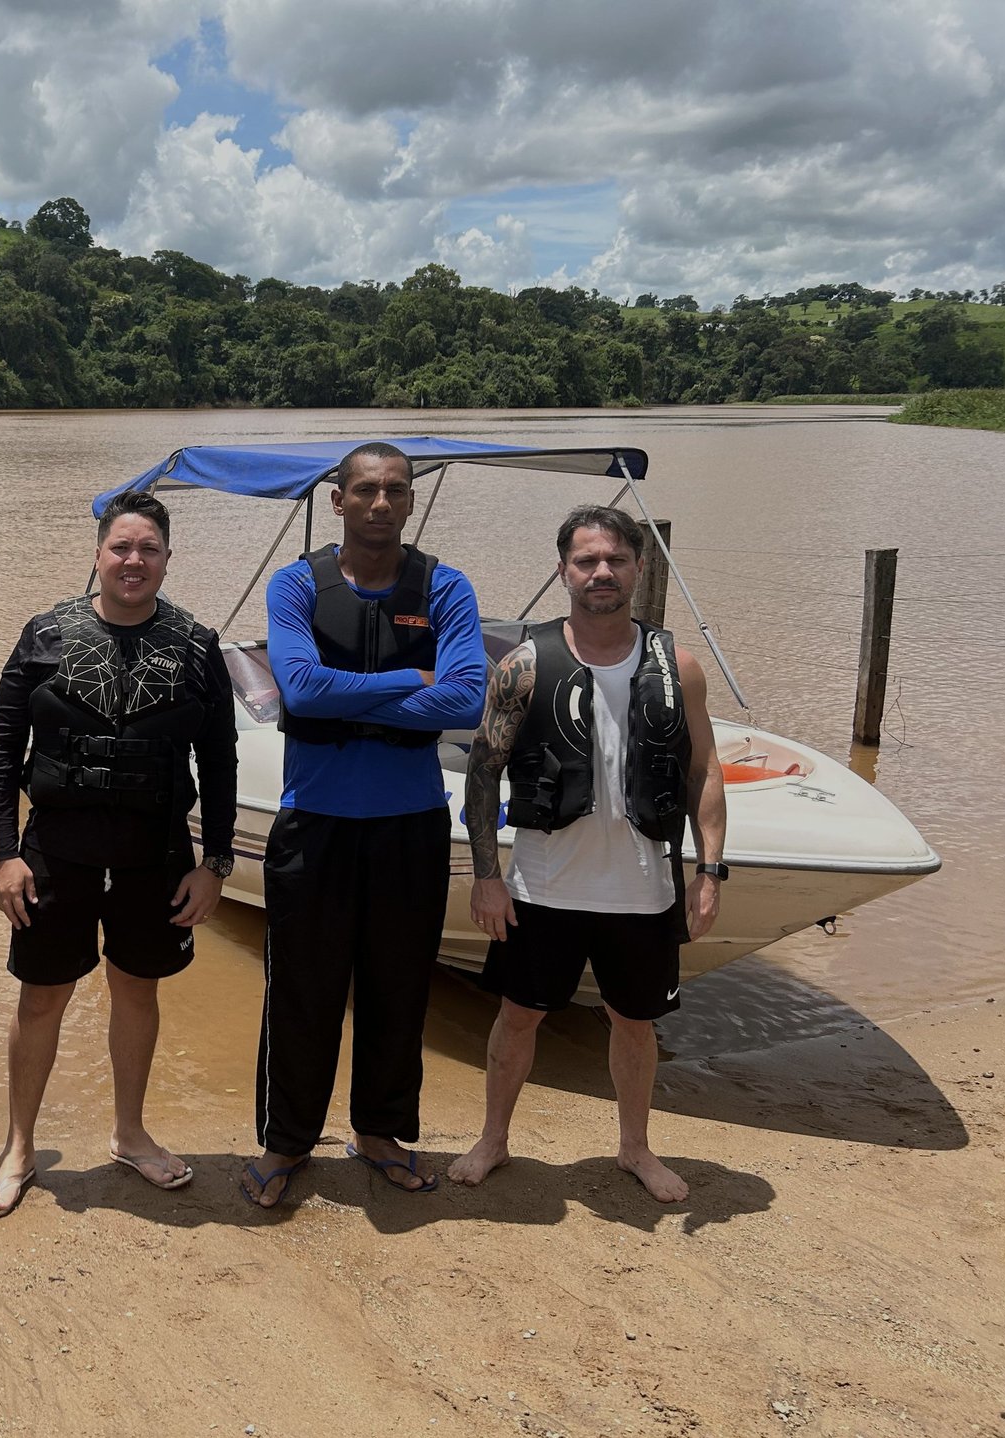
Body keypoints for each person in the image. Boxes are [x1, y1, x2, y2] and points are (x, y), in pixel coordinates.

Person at [447, 505, 726, 1203]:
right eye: (586, 561)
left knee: (636, 1024)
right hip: (544, 886)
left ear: (637, 567)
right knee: (518, 1017)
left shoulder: (678, 666)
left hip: (642, 888)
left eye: (615, 560)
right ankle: (493, 1140)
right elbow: (484, 771)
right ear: (563, 570)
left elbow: (703, 772)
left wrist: (710, 870)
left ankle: (635, 1149)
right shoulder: (523, 664)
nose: (601, 573)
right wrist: (487, 877)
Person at [0, 490, 238, 1218]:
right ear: (97, 554)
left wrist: (215, 863)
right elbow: (1, 754)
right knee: (41, 998)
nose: (133, 560)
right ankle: (19, 1146)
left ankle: (129, 1132)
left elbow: (219, 760)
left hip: (155, 855)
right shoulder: (44, 635)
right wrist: (3, 854)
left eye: (148, 548)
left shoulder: (195, 645)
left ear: (166, 559)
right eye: (121, 547)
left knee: (137, 989)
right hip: (57, 851)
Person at [242, 442, 487, 1207]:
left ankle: (379, 1132)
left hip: (410, 824)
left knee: (398, 988)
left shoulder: (445, 587)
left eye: (395, 490)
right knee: (301, 992)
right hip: (315, 823)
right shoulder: (296, 586)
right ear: (338, 501)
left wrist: (356, 693)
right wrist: (408, 680)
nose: (380, 503)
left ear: (410, 502)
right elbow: (304, 694)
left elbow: (468, 701)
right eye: (365, 491)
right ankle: (287, 1142)